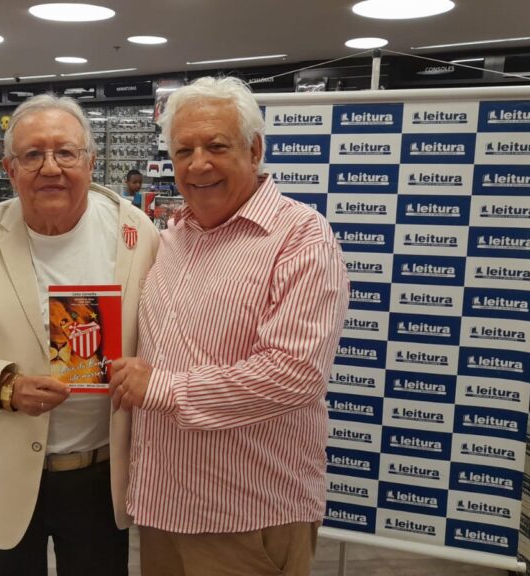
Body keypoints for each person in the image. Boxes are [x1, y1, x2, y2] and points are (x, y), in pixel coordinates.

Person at [110, 76, 349, 576]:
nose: (198, 164)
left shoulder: (301, 237)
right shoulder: (173, 236)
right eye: (183, 150)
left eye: (216, 146)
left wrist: (164, 388)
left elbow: (295, 373)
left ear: (255, 149)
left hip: (245, 517)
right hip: (163, 509)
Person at [0, 93, 158, 576]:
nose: (51, 167)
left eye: (66, 152)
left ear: (90, 162)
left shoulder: (137, 233)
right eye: (33, 155)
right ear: (10, 169)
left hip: (101, 477)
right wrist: (4, 385)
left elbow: (162, 333)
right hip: (4, 477)